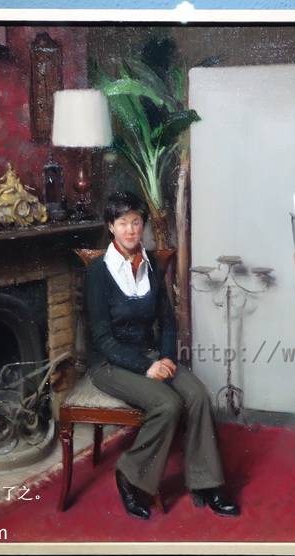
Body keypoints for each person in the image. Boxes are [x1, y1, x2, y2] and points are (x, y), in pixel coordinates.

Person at [85, 191, 240, 519]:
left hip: (151, 354)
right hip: (110, 363)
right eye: (123, 222)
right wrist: (147, 367)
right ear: (111, 227)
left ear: (142, 225)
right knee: (167, 403)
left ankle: (207, 482)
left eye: (136, 222)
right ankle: (130, 475)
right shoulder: (98, 272)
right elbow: (102, 339)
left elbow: (168, 322)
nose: (131, 229)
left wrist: (167, 357)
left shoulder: (152, 264)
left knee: (197, 395)